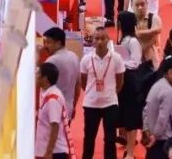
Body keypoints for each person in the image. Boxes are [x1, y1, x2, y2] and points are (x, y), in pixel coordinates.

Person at [80, 26, 125, 159]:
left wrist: (111, 93)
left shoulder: (116, 58)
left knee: (110, 140)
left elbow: (120, 81)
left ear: (108, 40)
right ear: (93, 40)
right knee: (89, 138)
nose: (99, 41)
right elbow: (83, 82)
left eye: (103, 38)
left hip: (110, 104)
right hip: (91, 104)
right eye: (97, 38)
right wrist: (92, 93)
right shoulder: (86, 59)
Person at [143, 55, 172, 159]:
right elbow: (163, 118)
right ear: (170, 72)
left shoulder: (158, 85)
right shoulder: (168, 91)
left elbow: (145, 111)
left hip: (155, 139)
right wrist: (156, 136)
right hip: (163, 142)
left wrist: (146, 129)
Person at [116, 11, 144, 158]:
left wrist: (120, 63)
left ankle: (131, 153)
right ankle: (128, 146)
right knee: (124, 116)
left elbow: (135, 62)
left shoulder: (133, 41)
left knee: (131, 117)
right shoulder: (123, 40)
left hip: (131, 82)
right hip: (122, 81)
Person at [44, 26, 82, 115]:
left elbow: (43, 85)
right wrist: (73, 106)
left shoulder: (52, 61)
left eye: (48, 42)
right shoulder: (74, 56)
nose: (45, 46)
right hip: (68, 108)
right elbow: (78, 85)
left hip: (53, 110)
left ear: (58, 43)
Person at [36, 62, 71, 159]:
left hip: (55, 153)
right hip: (47, 150)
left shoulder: (53, 99)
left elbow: (55, 126)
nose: (36, 76)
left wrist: (49, 152)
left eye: (38, 74)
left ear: (45, 78)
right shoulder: (46, 92)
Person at [131, 0, 164, 65]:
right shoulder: (129, 19)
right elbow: (134, 34)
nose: (140, 8)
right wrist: (153, 31)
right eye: (137, 5)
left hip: (151, 57)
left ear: (147, 4)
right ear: (131, 5)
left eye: (142, 4)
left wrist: (141, 50)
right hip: (133, 58)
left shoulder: (154, 18)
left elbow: (154, 38)